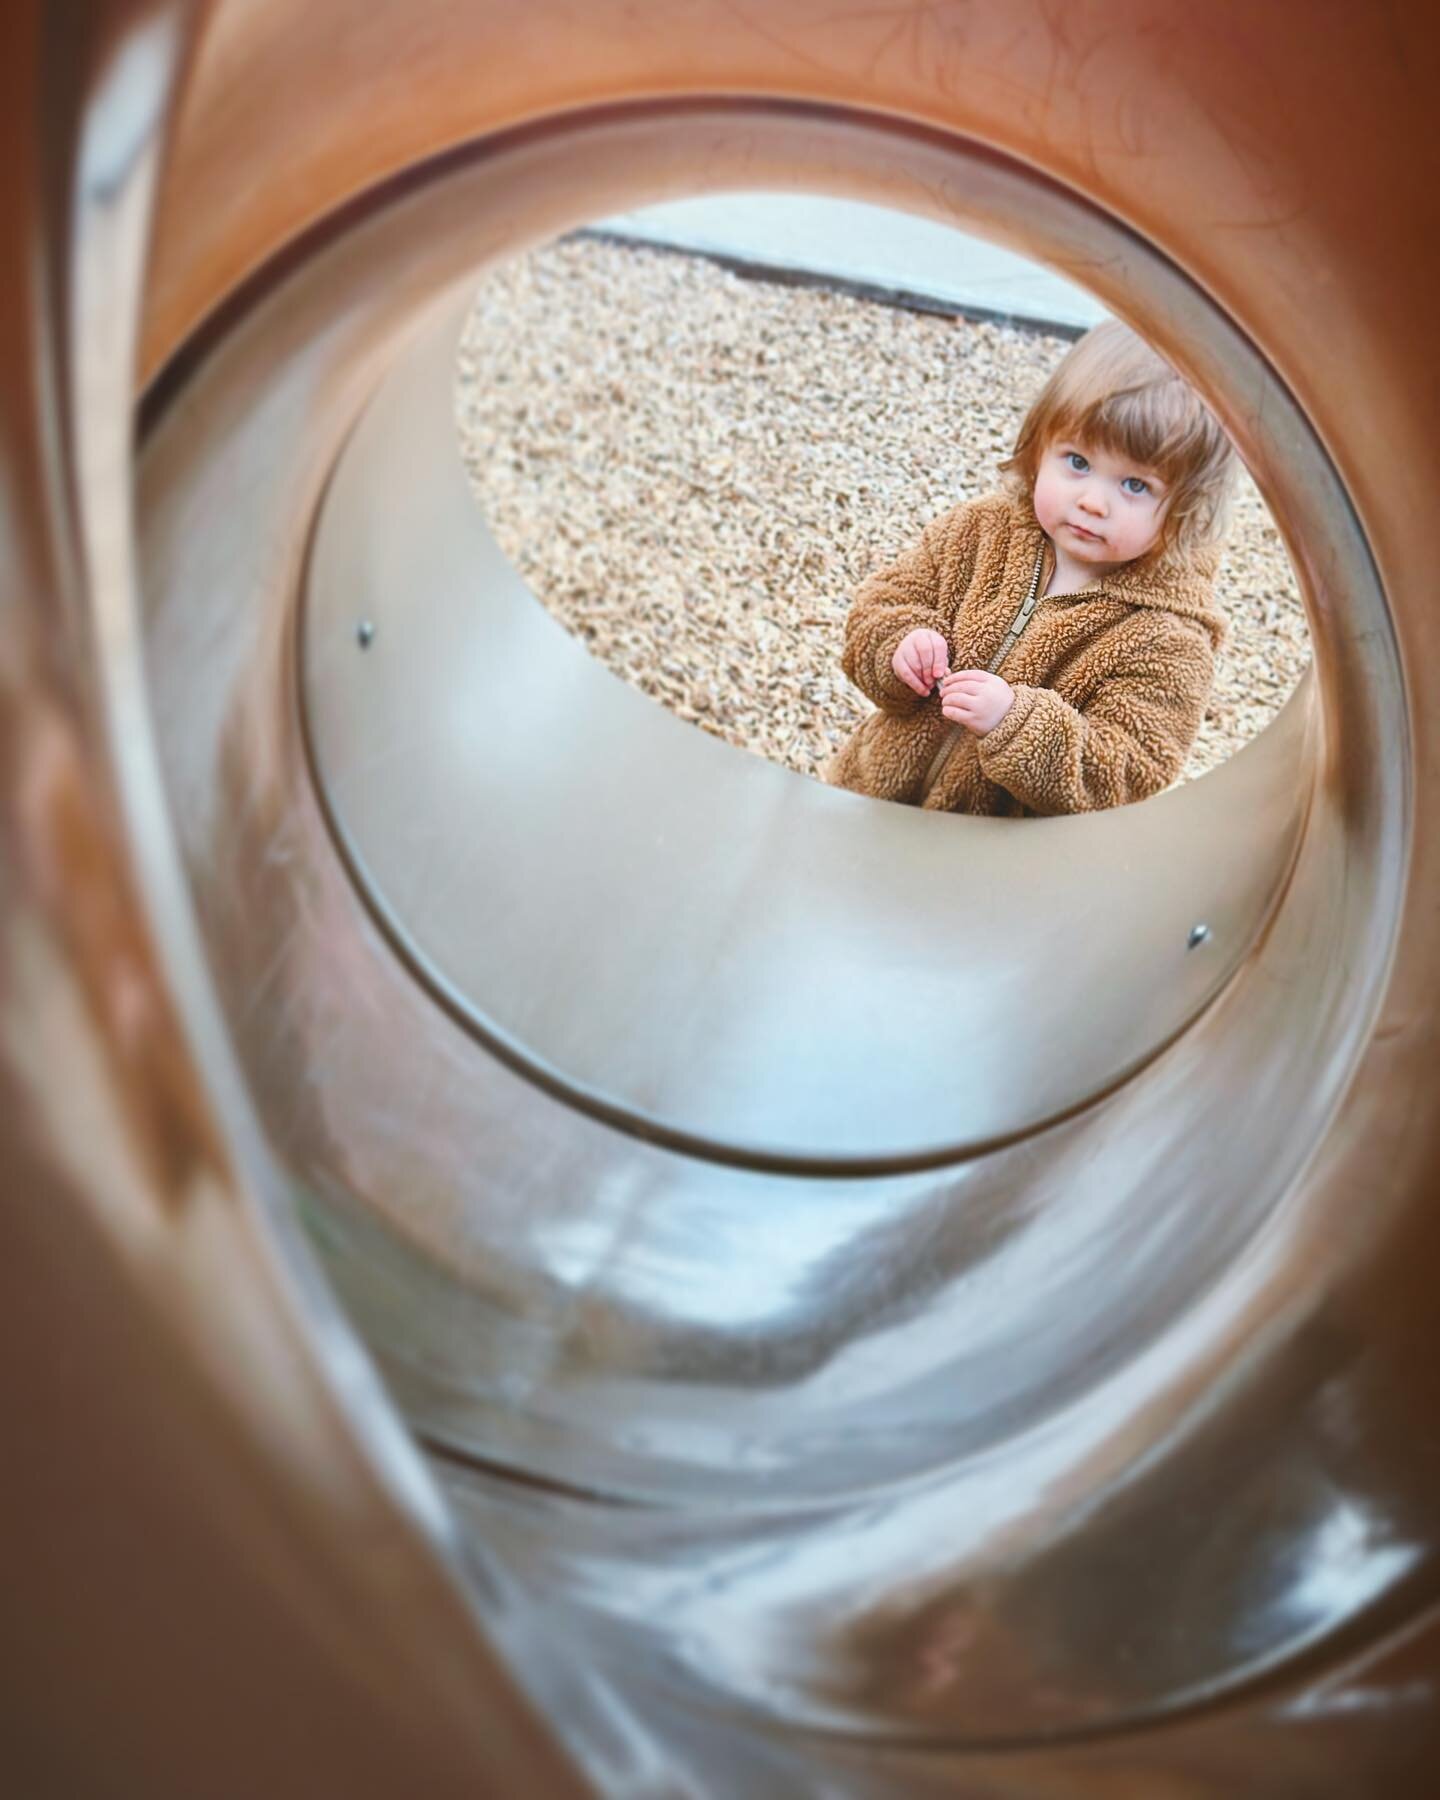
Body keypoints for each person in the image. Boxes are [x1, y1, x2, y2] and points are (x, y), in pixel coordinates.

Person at [824, 319, 1236, 817]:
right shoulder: (980, 530)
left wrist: (1017, 724)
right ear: (1040, 447)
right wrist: (899, 643)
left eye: (1134, 486)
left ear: (1186, 509)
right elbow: (884, 601)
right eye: (1078, 462)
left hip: (995, 858)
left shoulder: (1168, 637)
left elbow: (1131, 767)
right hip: (873, 797)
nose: (1092, 502)